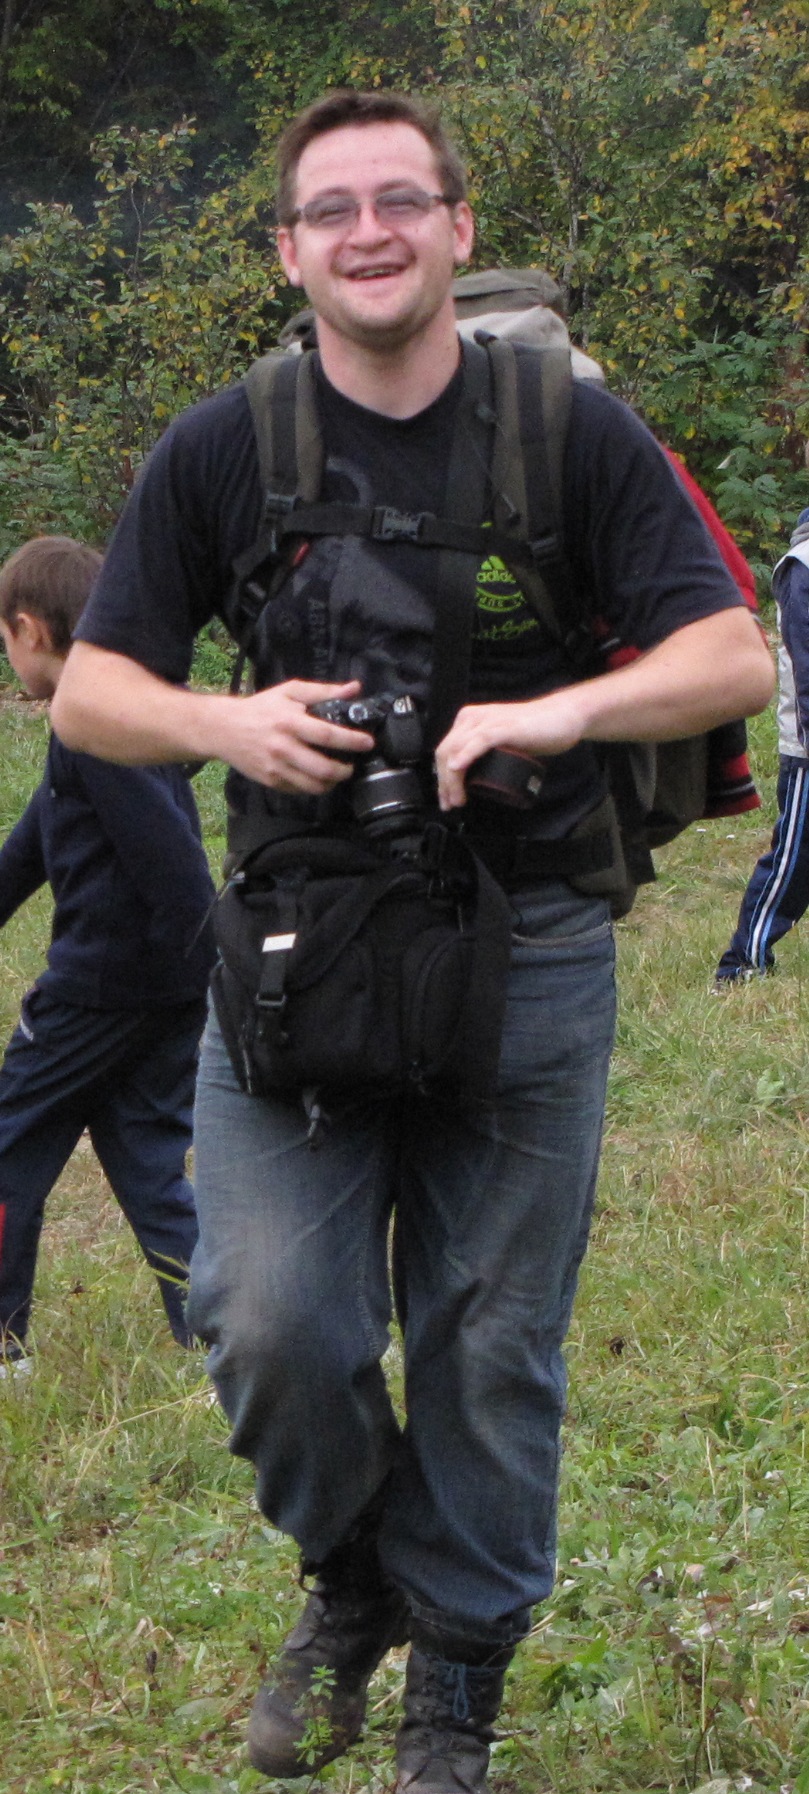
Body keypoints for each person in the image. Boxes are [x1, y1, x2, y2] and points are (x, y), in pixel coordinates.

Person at [50, 91, 774, 1793]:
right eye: (332, 208)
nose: (366, 231)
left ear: (457, 228)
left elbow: (733, 654)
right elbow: (88, 690)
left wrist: (552, 709)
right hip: (300, 940)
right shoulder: (226, 443)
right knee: (265, 1314)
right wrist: (227, 724)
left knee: (489, 1330)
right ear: (285, 250)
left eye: (399, 200)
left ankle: (456, 1677)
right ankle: (354, 1570)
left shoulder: (570, 430)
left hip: (529, 938)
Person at [0, 535, 216, 1375]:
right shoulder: (111, 719)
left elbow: (172, 863)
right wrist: (196, 977)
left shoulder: (87, 727)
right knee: (147, 1160)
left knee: (7, 1148)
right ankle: (221, 1345)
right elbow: (33, 843)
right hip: (164, 992)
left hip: (99, 991)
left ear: (29, 629)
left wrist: (214, 962)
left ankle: (2, 1346)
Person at [716, 505, 809, 984]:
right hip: (808, 751)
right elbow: (805, 660)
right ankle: (744, 962)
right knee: (795, 861)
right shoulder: (804, 564)